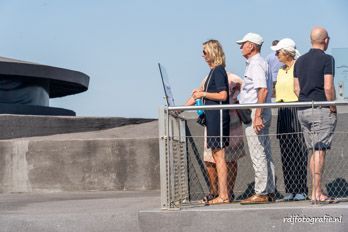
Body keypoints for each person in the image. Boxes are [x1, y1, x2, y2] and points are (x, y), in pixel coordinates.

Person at [186, 73, 245, 203]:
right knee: (209, 159)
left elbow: (245, 93)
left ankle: (228, 193)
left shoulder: (234, 79)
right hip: (213, 121)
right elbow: (197, 95)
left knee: (231, 159)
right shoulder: (207, 78)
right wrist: (180, 109)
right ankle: (214, 192)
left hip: (232, 123)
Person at [294, 27, 337, 204]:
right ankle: (317, 192)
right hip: (320, 108)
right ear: (326, 40)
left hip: (303, 109)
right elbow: (328, 87)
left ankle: (315, 191)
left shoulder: (300, 61)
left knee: (313, 150)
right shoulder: (328, 59)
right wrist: (332, 106)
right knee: (320, 150)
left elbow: (296, 89)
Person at [236, 32, 275, 204]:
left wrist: (257, 115)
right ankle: (269, 191)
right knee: (265, 153)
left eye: (243, 43)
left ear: (251, 46)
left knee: (258, 152)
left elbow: (263, 90)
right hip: (258, 110)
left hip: (256, 112)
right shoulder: (259, 63)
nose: (240, 47)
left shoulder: (256, 64)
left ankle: (261, 192)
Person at [190, 39, 230, 205]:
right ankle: (222, 194)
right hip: (213, 119)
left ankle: (223, 195)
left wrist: (203, 94)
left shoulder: (219, 71)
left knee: (219, 156)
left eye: (205, 52)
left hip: (218, 118)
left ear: (213, 52)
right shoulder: (214, 72)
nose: (202, 55)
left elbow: (223, 95)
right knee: (216, 156)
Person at [271, 38, 308, 201]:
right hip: (283, 110)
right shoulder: (280, 70)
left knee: (299, 149)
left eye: (278, 51)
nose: (276, 54)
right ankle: (291, 190)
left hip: (295, 109)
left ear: (286, 51)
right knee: (285, 150)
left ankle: (301, 189)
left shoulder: (299, 66)